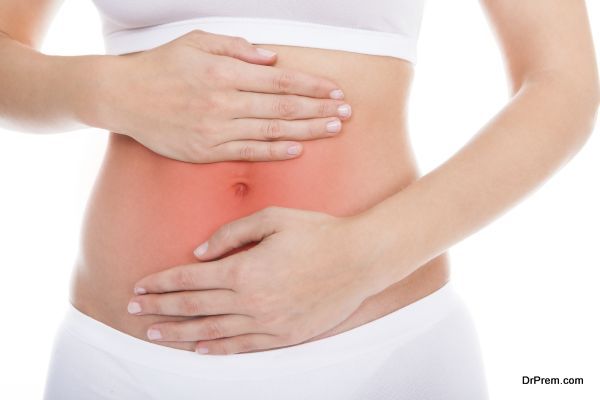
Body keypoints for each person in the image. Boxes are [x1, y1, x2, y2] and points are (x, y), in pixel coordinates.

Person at [0, 0, 597, 399]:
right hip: (123, 360)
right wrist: (105, 88)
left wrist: (369, 256)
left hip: (383, 351)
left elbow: (564, 79)